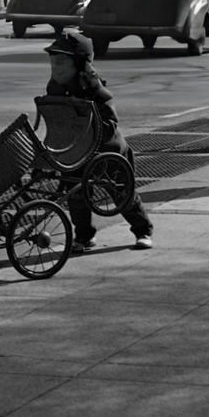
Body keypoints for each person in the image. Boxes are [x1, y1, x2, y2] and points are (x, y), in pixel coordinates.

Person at [42, 28, 154, 252]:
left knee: (122, 192)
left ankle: (142, 230)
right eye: (53, 63)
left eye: (62, 63)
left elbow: (110, 118)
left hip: (107, 149)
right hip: (75, 150)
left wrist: (95, 132)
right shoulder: (54, 88)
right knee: (76, 195)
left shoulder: (93, 87)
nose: (56, 69)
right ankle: (84, 237)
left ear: (80, 64)